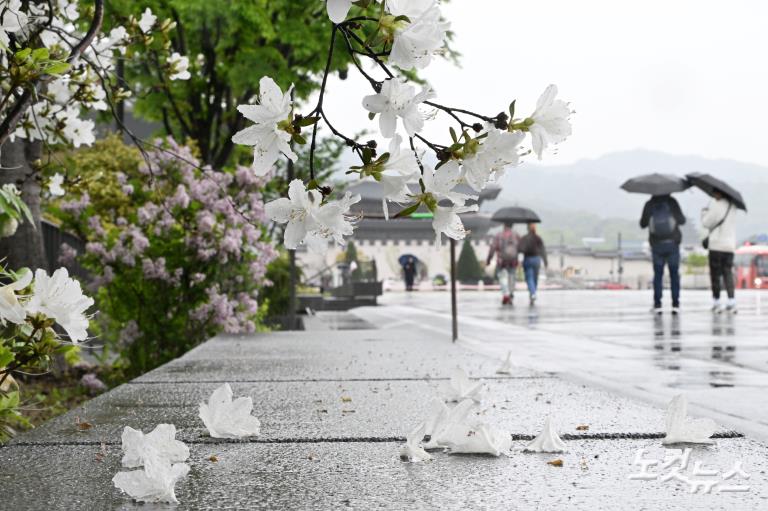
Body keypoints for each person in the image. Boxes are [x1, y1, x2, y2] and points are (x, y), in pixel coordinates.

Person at [639, 194, 686, 314]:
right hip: (672, 244)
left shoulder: (650, 204)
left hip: (657, 245)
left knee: (658, 275)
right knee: (674, 275)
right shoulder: (672, 202)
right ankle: (675, 304)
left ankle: (657, 304)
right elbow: (682, 220)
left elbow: (643, 224)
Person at [701, 190, 737, 313]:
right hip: (730, 246)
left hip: (716, 245)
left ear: (720, 193)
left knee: (715, 274)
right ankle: (731, 301)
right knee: (728, 273)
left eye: (715, 193)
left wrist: (704, 212)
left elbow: (706, 223)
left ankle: (717, 302)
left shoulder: (716, 205)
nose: (713, 195)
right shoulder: (733, 206)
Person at [486, 223, 520, 305]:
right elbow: (521, 247)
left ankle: (506, 294)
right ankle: (511, 293)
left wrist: (489, 259)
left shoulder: (498, 235)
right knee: (512, 277)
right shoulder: (516, 235)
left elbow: (493, 248)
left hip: (502, 261)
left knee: (502, 278)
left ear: (504, 226)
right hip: (513, 260)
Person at [519, 223, 548, 305]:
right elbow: (543, 250)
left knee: (529, 278)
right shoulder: (538, 238)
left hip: (528, 259)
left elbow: (520, 249)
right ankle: (533, 293)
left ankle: (532, 293)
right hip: (536, 259)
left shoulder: (524, 238)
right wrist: (545, 261)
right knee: (535, 278)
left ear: (527, 229)